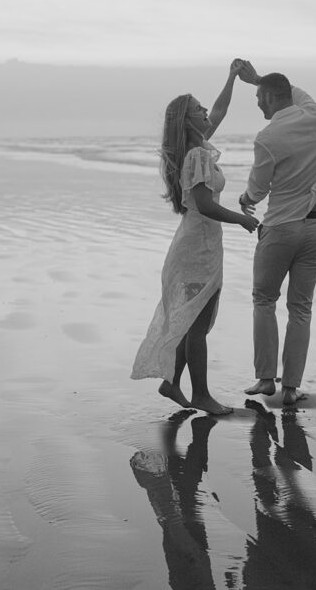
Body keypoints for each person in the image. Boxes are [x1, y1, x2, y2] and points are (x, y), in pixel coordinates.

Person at [131, 61, 259, 415]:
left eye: (204, 108)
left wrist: (232, 78)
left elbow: (220, 109)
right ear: (188, 120)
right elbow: (203, 204)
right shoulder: (197, 154)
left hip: (198, 242)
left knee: (192, 320)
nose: (207, 112)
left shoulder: (194, 149)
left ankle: (172, 383)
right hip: (197, 245)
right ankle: (201, 394)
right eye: (199, 110)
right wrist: (240, 220)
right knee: (199, 325)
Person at [236, 61, 316, 407]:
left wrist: (245, 200)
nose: (258, 103)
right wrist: (257, 78)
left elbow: (258, 188)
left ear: (272, 98)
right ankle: (291, 388)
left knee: (264, 299)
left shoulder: (268, 137)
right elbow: (294, 91)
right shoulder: (315, 115)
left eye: (259, 97)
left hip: (281, 228)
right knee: (300, 308)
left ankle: (265, 380)